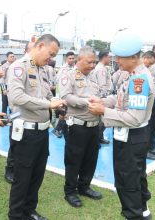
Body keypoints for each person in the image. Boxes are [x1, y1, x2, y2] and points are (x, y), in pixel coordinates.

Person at [88, 30, 155, 220]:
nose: (117, 61)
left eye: (120, 57)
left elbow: (134, 117)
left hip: (132, 136)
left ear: (133, 57)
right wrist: (102, 101)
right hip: (134, 137)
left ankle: (133, 215)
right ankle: (143, 211)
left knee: (127, 182)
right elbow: (120, 99)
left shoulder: (139, 80)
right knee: (137, 177)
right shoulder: (131, 74)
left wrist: (103, 112)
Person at [7, 34, 65, 220]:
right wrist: (48, 104)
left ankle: (29, 210)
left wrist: (54, 101)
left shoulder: (43, 70)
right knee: (22, 178)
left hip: (42, 131)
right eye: (51, 53)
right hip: (26, 132)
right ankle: (16, 215)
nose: (52, 58)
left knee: (37, 175)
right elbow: (17, 97)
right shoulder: (19, 67)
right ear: (40, 46)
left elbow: (46, 95)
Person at [59, 46, 102, 208]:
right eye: (89, 62)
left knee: (91, 159)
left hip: (94, 125)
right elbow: (65, 97)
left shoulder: (94, 76)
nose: (92, 65)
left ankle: (84, 186)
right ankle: (70, 191)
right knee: (74, 159)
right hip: (77, 125)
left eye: (94, 62)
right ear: (79, 60)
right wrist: (85, 101)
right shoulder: (68, 76)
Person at [4, 42, 35, 184]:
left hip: (32, 115)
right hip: (19, 114)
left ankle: (20, 168)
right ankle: (10, 169)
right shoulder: (19, 66)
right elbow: (15, 95)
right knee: (15, 143)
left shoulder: (39, 68)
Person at [52, 51, 75, 139]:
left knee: (65, 114)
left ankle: (62, 130)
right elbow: (60, 82)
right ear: (66, 59)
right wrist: (63, 97)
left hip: (73, 95)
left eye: (73, 58)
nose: (72, 60)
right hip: (66, 95)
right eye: (70, 58)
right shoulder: (63, 69)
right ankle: (58, 129)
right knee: (66, 114)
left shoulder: (75, 67)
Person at [93, 51, 112, 145]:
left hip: (102, 97)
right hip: (102, 97)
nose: (110, 59)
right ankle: (96, 139)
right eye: (109, 57)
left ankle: (99, 137)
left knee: (102, 120)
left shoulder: (102, 68)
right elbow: (102, 86)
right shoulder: (101, 69)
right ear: (104, 57)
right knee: (103, 120)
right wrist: (104, 99)